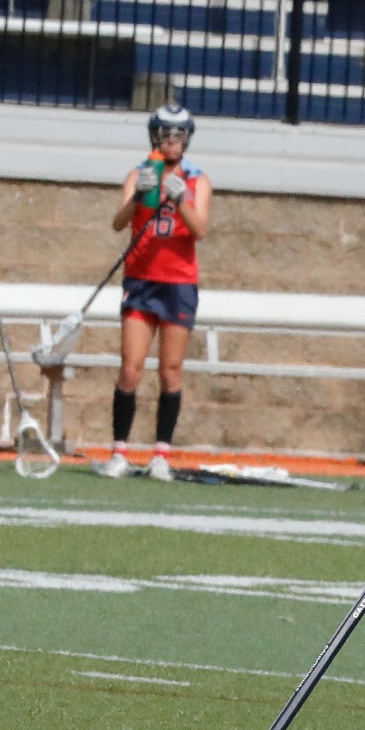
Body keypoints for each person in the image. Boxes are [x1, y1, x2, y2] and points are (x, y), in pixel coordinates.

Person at [95, 104, 211, 481]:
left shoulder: (197, 179)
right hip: (141, 279)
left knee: (171, 370)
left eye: (179, 134)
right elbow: (117, 223)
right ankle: (120, 451)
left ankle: (160, 453)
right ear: (155, 136)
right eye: (166, 133)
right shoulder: (139, 173)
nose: (173, 141)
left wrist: (182, 200)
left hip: (178, 282)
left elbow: (200, 229)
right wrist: (136, 197)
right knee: (130, 368)